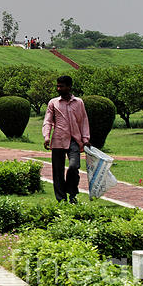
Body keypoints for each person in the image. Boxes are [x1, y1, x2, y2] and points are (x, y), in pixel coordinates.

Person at [42, 75, 90, 204]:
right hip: (58, 140)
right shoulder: (53, 102)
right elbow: (48, 121)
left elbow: (84, 121)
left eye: (61, 86)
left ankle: (72, 193)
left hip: (74, 140)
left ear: (69, 87)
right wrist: (47, 137)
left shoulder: (79, 102)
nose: (58, 88)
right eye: (57, 86)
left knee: (74, 167)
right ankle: (61, 199)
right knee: (57, 172)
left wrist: (85, 138)